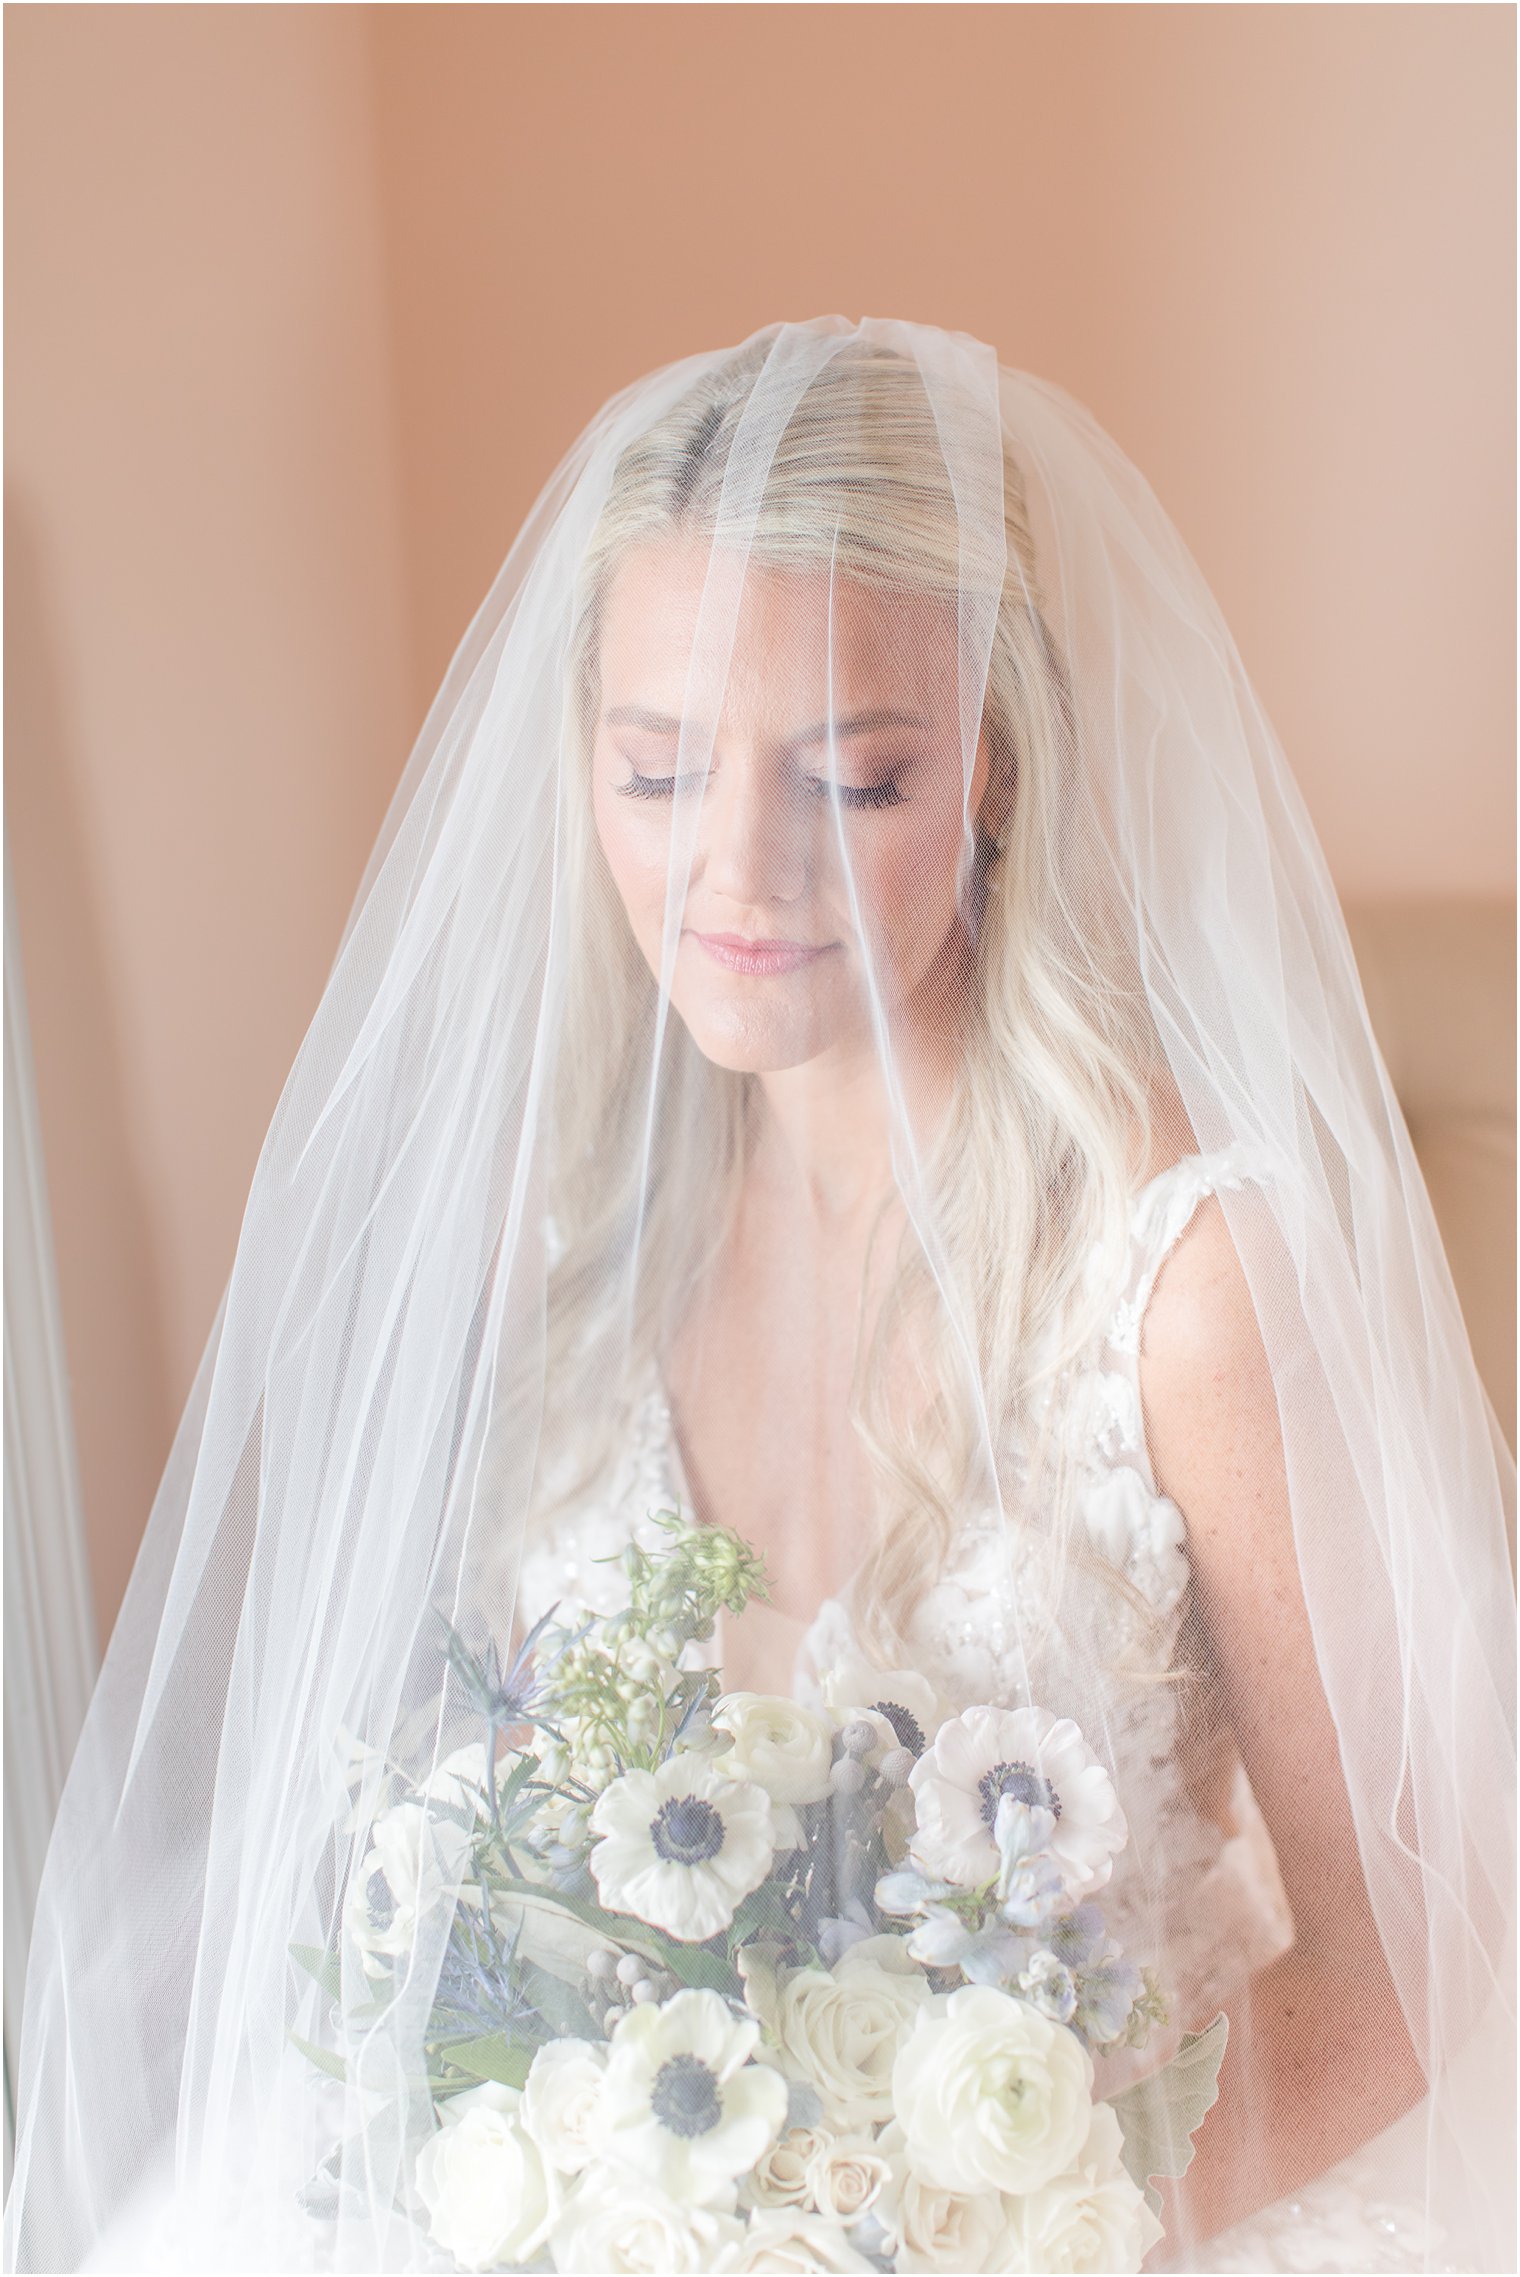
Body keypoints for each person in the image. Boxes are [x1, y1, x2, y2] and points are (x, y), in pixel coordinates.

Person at [5, 318, 1513, 2276]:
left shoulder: (1185, 1271)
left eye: (847, 778)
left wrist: (1008, 2225)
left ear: (985, 763)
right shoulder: (552, 1234)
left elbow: (1427, 1940)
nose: (732, 872)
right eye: (654, 767)